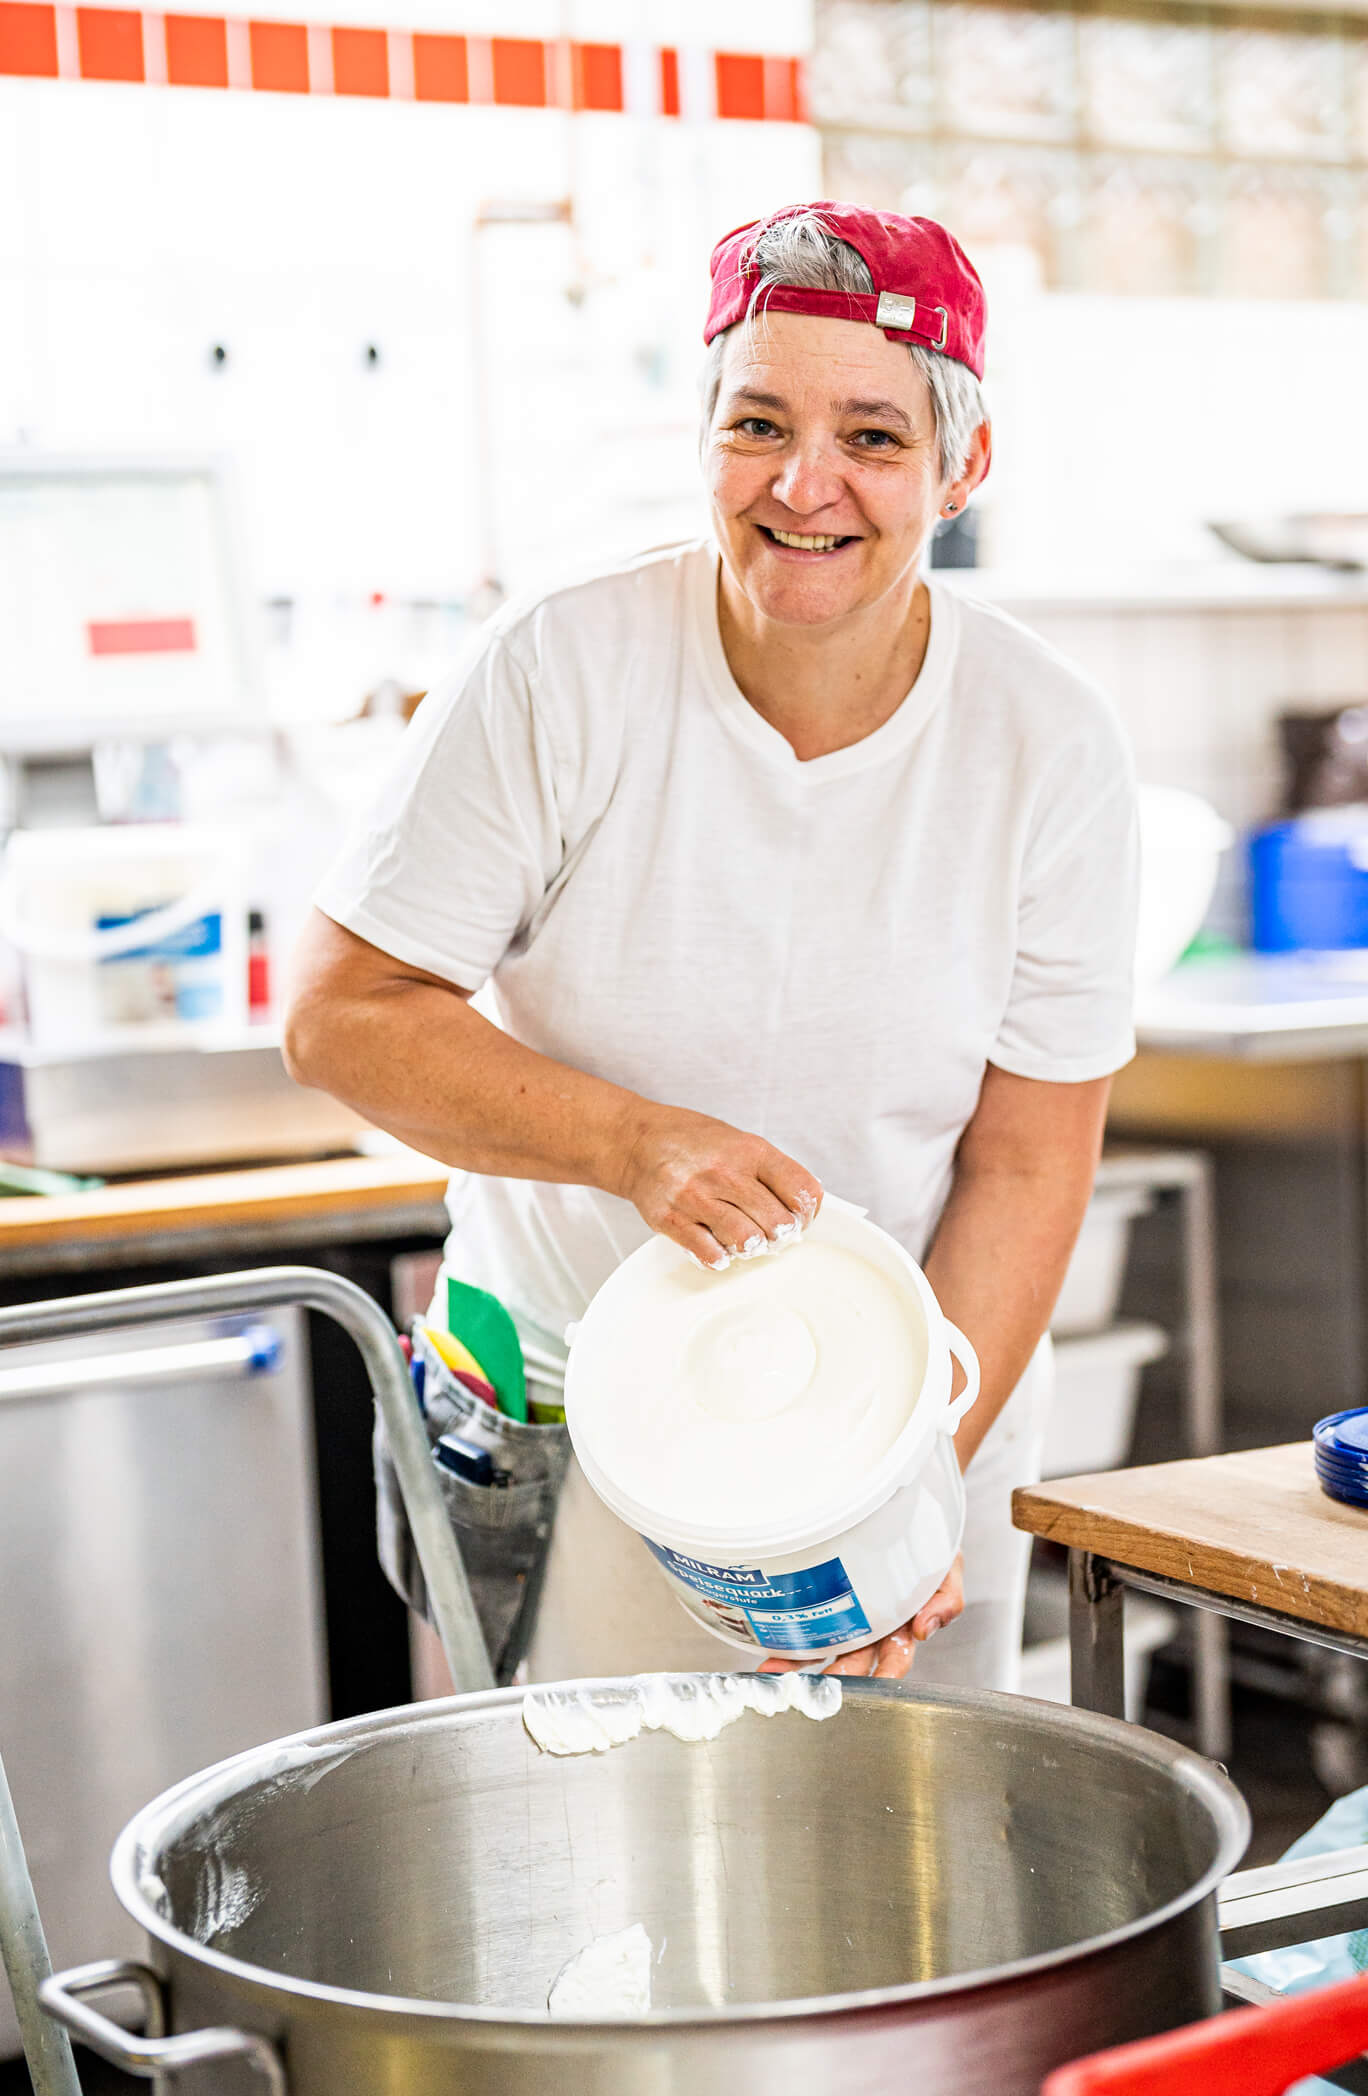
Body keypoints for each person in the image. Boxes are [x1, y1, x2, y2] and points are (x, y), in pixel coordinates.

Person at [285, 200, 1138, 1691]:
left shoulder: (1047, 742)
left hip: (917, 1401)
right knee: (595, 1829)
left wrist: (889, 1491)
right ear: (703, 437)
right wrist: (636, 1147)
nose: (805, 485)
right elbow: (342, 1013)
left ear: (962, 466)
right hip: (591, 1412)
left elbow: (1026, 1163)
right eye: (758, 425)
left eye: (873, 437)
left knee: (923, 1839)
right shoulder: (561, 666)